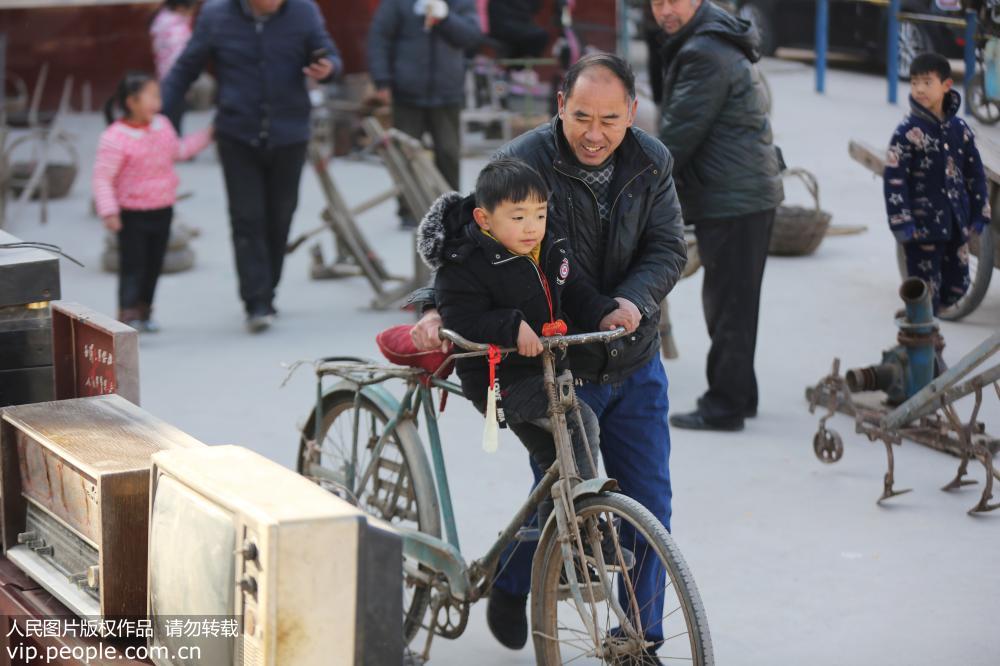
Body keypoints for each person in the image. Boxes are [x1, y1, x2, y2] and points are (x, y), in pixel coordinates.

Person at [410, 53, 687, 662]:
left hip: (631, 351)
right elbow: (475, 243)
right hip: (555, 362)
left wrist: (632, 301)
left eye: (610, 119)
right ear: (560, 105)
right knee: (558, 494)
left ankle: (636, 643)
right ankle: (514, 581)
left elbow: (669, 245)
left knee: (649, 504)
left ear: (633, 114)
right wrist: (437, 307)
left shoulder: (652, 161)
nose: (594, 133)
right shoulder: (522, 162)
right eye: (581, 115)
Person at [423, 158, 620, 530]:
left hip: (548, 371)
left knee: (558, 466)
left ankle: (562, 553)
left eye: (540, 215)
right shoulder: (464, 263)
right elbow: (460, 317)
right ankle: (588, 526)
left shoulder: (550, 247)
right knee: (580, 422)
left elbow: (574, 289)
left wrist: (604, 312)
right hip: (499, 381)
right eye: (518, 217)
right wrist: (511, 326)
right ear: (484, 219)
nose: (532, 228)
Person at [161, 0, 341, 333]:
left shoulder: (303, 10)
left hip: (289, 134)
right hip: (237, 134)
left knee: (279, 217)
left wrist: (328, 68)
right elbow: (185, 69)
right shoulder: (216, 14)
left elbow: (330, 55)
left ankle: (267, 288)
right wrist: (162, 124)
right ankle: (256, 301)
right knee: (247, 219)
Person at [651, 0, 784, 432]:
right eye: (657, 2)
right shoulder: (705, 39)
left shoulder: (703, 52)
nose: (665, 10)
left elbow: (676, 136)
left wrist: (633, 184)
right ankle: (740, 394)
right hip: (742, 193)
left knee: (727, 304)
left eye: (674, 1)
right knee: (737, 303)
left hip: (734, 197)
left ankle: (725, 405)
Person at [92, 71, 213, 332]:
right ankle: (127, 313)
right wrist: (109, 212)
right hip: (132, 214)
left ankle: (146, 311)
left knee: (154, 264)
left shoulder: (162, 126)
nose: (158, 101)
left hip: (163, 209)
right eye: (153, 96)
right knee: (133, 265)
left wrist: (208, 134)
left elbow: (179, 151)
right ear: (132, 102)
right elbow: (102, 178)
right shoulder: (115, 137)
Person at [884, 53, 990, 314]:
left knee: (958, 284)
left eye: (927, 82)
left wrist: (979, 213)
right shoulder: (906, 132)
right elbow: (894, 181)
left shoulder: (960, 130)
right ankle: (923, 338)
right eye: (914, 82)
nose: (919, 89)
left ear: (946, 85)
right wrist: (902, 223)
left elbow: (975, 174)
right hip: (921, 231)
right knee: (924, 291)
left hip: (956, 226)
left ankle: (928, 323)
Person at [367, 0, 482, 228]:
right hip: (407, 91)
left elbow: (471, 37)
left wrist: (446, 18)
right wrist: (382, 80)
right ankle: (408, 208)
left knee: (448, 153)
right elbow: (379, 38)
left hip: (447, 91)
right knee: (406, 154)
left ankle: (450, 210)